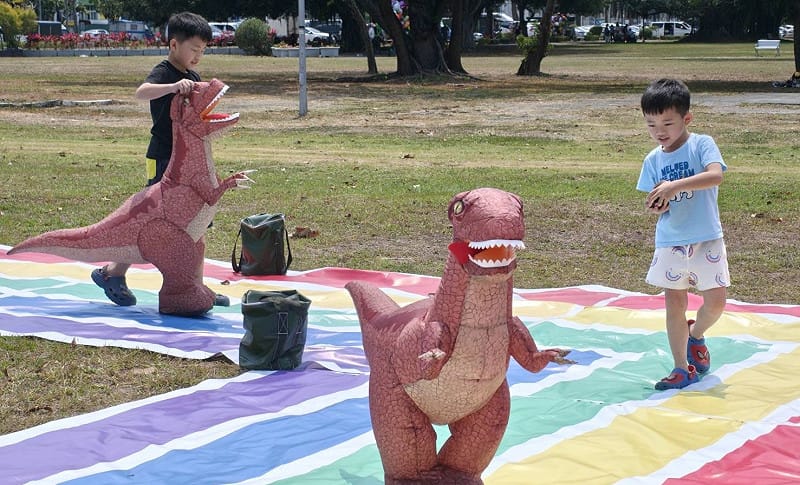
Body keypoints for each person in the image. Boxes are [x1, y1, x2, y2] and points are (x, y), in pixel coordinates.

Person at [91, 12, 229, 308]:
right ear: (174, 44)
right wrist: (172, 87)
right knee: (152, 221)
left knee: (197, 226)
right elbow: (141, 93)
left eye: (203, 50)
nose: (198, 56)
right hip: (163, 156)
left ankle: (196, 286)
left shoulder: (193, 78)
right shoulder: (165, 72)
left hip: (187, 162)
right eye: (194, 49)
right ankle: (112, 272)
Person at [637, 78, 730, 390]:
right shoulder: (652, 160)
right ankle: (681, 366)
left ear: (686, 119)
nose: (660, 131)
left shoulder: (701, 144)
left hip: (707, 237)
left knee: (716, 303)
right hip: (670, 241)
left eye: (667, 122)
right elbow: (655, 201)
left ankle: (697, 335)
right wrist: (657, 205)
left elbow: (715, 176)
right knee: (674, 303)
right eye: (651, 125)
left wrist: (675, 185)